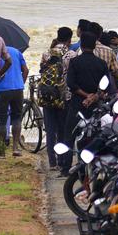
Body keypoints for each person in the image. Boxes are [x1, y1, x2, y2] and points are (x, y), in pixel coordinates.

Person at [62, 31, 109, 175]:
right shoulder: (101, 63)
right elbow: (105, 85)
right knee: (95, 136)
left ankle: (66, 168)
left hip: (77, 104)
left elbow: (71, 84)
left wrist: (85, 95)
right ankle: (94, 167)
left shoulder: (75, 62)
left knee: (69, 135)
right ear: (94, 45)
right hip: (95, 107)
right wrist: (94, 96)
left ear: (81, 45)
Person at [37, 28, 72, 170]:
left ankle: (52, 162)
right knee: (62, 130)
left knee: (50, 130)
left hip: (47, 95)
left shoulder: (46, 53)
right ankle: (62, 160)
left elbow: (42, 71)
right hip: (63, 97)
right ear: (69, 40)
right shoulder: (71, 54)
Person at [0, 45, 28, 155]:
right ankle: (15, 148)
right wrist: (21, 84)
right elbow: (25, 70)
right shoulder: (17, 51)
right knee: (17, 118)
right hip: (18, 89)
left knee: (1, 119)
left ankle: (1, 151)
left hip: (2, 90)